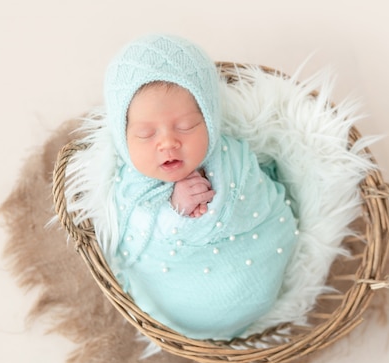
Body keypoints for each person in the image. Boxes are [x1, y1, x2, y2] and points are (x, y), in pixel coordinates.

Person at [102, 34, 298, 340]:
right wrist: (176, 214)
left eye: (185, 126)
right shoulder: (129, 185)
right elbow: (131, 237)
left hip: (259, 279)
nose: (168, 142)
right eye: (145, 133)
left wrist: (219, 206)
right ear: (123, 137)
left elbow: (262, 199)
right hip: (181, 304)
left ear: (210, 118)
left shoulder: (234, 158)